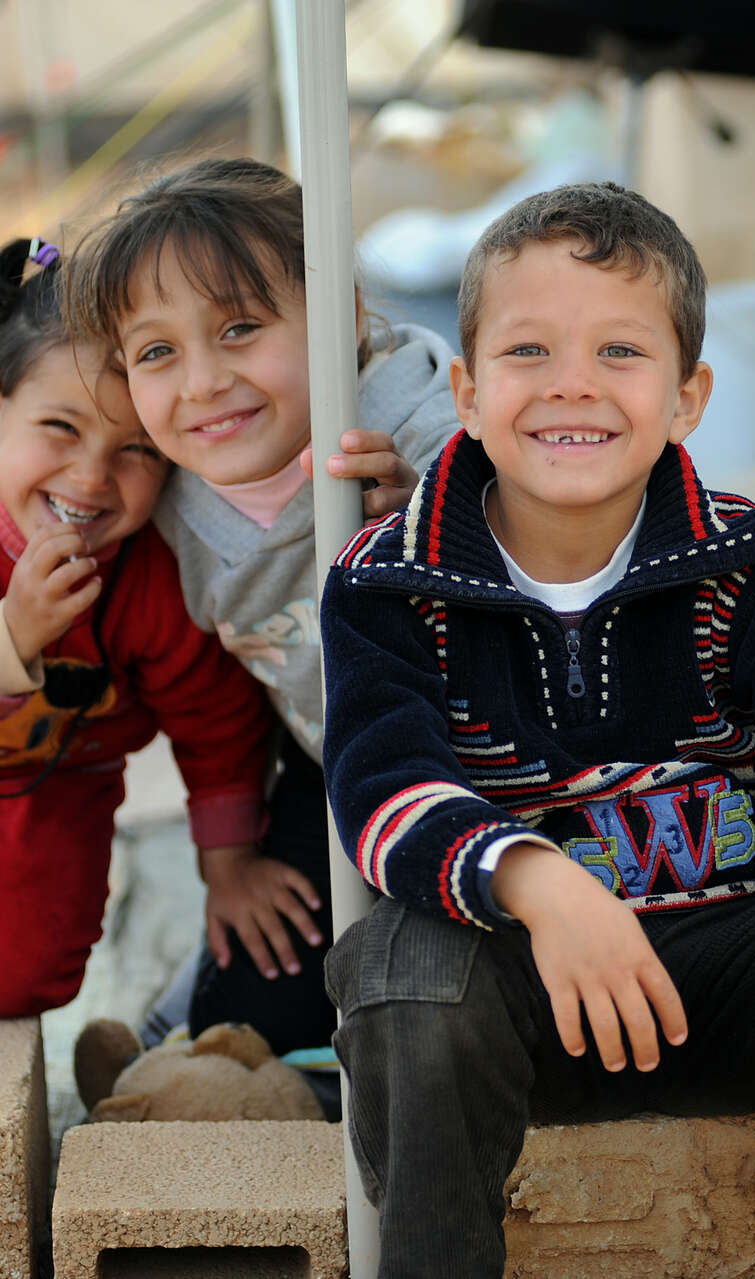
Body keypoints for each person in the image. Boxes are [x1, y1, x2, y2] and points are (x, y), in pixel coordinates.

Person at [320, 180, 755, 1279]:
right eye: (528, 351)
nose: (572, 385)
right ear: (466, 388)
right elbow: (381, 787)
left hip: (730, 986)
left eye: (620, 353)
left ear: (688, 396)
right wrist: (542, 884)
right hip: (521, 996)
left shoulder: (741, 560)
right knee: (401, 962)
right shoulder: (391, 579)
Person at [64, 157, 460, 1058]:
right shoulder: (165, 495)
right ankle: (192, 1020)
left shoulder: (411, 425)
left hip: (487, 771)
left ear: (343, 319)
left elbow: (536, 520)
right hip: (325, 761)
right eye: (158, 352)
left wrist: (435, 519)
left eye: (240, 327)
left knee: (429, 988)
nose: (201, 382)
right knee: (263, 971)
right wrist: (228, 865)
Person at [0, 234, 281, 1018]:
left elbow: (216, 724)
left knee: (24, 979)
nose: (91, 479)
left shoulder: (153, 575)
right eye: (59, 427)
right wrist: (14, 635)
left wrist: (227, 871)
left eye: (135, 451)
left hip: (57, 785)